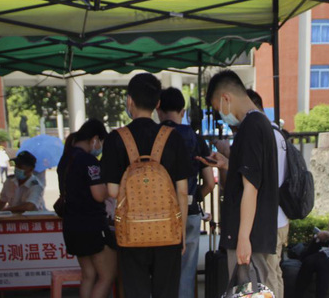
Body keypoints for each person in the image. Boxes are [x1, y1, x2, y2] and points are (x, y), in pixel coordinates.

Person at [101, 73, 190, 298]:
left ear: (129, 101)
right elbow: (182, 191)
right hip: (167, 232)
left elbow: (112, 191)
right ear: (158, 103)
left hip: (131, 233)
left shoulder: (115, 138)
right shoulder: (173, 137)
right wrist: (180, 233)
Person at [203, 70, 278, 288]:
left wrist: (243, 238)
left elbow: (251, 187)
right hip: (255, 235)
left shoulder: (251, 127)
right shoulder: (261, 124)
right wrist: (229, 164)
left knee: (247, 291)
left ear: (226, 98)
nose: (222, 116)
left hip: (249, 238)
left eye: (218, 109)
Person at [157, 87, 215, 298]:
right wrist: (196, 197)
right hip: (189, 211)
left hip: (157, 215)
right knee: (186, 273)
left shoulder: (153, 136)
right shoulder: (195, 139)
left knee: (161, 272)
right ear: (182, 111)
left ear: (158, 110)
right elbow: (210, 183)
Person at [57, 119, 116, 298]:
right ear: (95, 139)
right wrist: (111, 189)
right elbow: (98, 194)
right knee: (107, 276)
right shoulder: (89, 161)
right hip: (92, 226)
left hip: (72, 225)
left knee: (89, 275)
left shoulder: (65, 159)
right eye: (100, 143)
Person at [246, 88, 288, 298]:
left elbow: (256, 182)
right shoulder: (278, 133)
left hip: (268, 219)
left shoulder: (263, 133)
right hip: (281, 217)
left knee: (268, 276)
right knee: (274, 272)